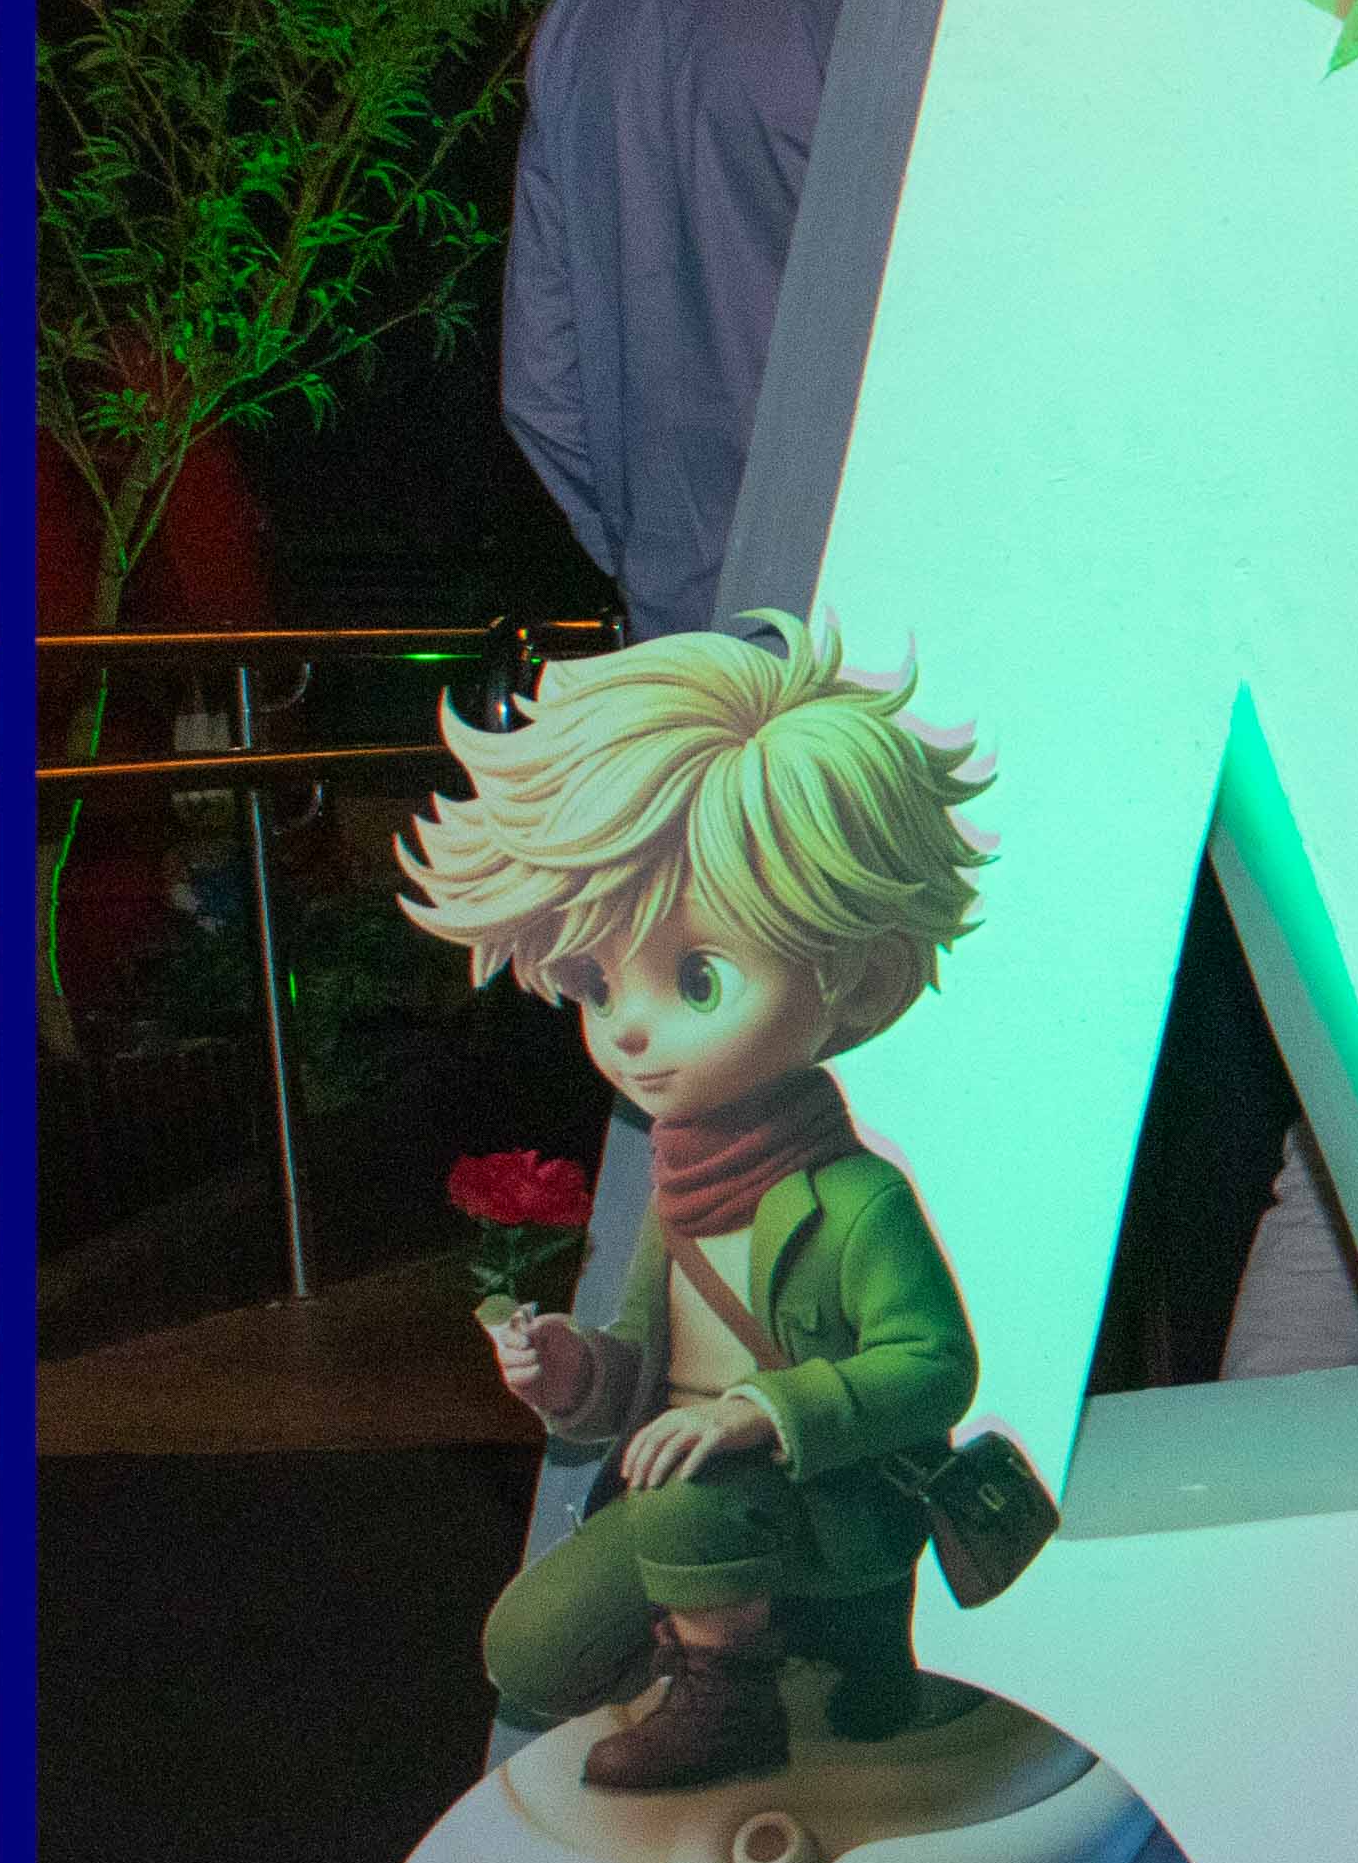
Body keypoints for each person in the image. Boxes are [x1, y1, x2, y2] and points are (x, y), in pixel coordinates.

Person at [401, 626, 998, 1790]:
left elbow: (934, 1367)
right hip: (701, 1516)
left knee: (689, 1510)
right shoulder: (680, 1192)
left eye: (697, 978)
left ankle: (732, 1704)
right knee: (531, 1649)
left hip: (832, 1510)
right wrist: (570, 1371)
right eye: (595, 983)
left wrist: (756, 1413)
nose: (631, 1028)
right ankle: (727, 1647)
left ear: (858, 977)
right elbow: (641, 1370)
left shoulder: (858, 1198)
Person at [502, 0, 972, 645]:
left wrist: (667, 564)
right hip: (879, 641)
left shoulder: (591, 4)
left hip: (682, 653)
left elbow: (542, 385)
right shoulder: (896, 7)